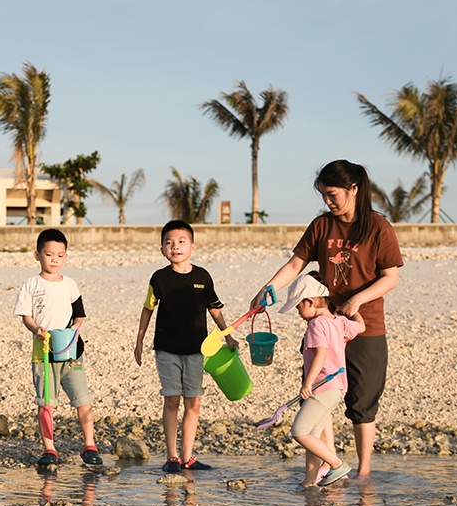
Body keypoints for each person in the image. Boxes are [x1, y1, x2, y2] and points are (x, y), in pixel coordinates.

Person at [252, 159, 402, 477]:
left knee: (362, 403)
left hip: (365, 326)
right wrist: (268, 289)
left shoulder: (378, 226)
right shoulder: (321, 226)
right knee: (320, 396)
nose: (328, 202)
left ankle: (362, 474)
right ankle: (328, 468)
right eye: (323, 195)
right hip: (324, 326)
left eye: (333, 194)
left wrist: (357, 299)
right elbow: (295, 265)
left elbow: (390, 277)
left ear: (354, 189)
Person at [134, 220, 238, 473]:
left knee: (193, 403)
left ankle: (187, 457)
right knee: (171, 400)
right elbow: (148, 308)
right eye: (169, 243)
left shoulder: (202, 276)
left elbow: (215, 308)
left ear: (192, 247)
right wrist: (139, 340)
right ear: (162, 249)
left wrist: (227, 336)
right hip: (166, 348)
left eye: (181, 242)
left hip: (197, 350)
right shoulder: (159, 278)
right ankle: (171, 457)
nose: (175, 247)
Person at [13, 228, 102, 467]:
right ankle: (49, 449)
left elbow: (79, 315)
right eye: (49, 254)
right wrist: (37, 330)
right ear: (37, 255)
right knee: (46, 402)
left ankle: (90, 445)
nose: (54, 259)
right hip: (42, 353)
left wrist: (73, 330)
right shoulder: (31, 284)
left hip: (71, 351)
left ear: (66, 257)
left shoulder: (70, 284)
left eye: (60, 255)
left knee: (83, 399)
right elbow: (26, 317)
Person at [279, 271, 365, 487]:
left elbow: (321, 354)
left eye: (298, 306)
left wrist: (307, 383)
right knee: (313, 436)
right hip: (337, 389)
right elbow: (361, 327)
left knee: (299, 431)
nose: (298, 312)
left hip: (322, 388)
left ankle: (337, 465)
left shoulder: (316, 324)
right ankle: (309, 483)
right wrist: (354, 310)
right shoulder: (340, 322)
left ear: (309, 301)